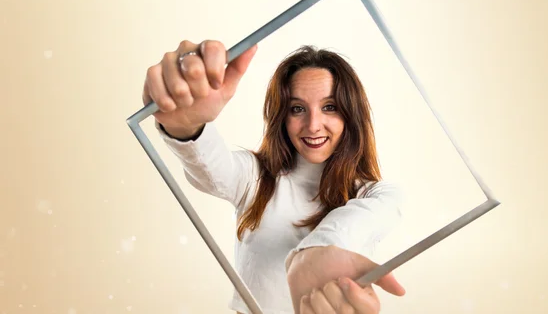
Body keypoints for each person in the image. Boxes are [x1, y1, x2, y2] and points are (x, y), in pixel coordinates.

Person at [142, 39, 406, 314]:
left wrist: (313, 256)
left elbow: (362, 218)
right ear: (282, 115)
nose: (313, 125)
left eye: (329, 107)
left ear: (351, 115)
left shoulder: (378, 195)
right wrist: (187, 125)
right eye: (297, 109)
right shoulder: (256, 177)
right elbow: (211, 168)